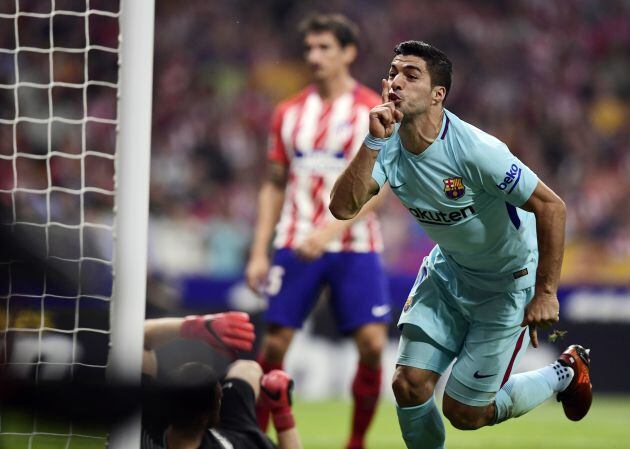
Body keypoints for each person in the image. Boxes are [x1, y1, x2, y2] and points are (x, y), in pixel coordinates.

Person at [329, 40, 592, 449]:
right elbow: (343, 209)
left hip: (506, 285)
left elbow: (551, 206)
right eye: (393, 72)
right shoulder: (387, 142)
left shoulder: (476, 150)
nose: (396, 81)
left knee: (465, 414)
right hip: (448, 273)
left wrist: (546, 292)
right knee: (408, 386)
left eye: (411, 75)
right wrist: (372, 142)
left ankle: (564, 372)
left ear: (438, 94)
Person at [245, 13, 390, 449]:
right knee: (275, 346)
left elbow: (381, 184)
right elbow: (273, 184)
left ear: (349, 52)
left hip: (354, 243)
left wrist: (329, 231)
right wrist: (258, 251)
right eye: (309, 48)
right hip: (293, 238)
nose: (314, 56)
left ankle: (356, 442)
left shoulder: (373, 110)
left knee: (371, 342)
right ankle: (251, 436)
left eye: (325, 47)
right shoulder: (287, 113)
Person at [141, 312, 302, 449]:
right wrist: (282, 413)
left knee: (247, 370)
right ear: (214, 411)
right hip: (232, 431)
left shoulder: (143, 422)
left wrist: (195, 326)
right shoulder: (238, 442)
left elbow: (137, 338)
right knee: (247, 370)